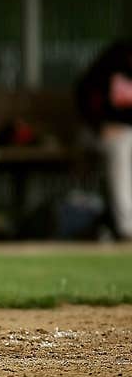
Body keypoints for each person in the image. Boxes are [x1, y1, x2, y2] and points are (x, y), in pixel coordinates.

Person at [76, 39, 132, 241]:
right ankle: (127, 227)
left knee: (126, 139)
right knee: (122, 145)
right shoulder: (109, 64)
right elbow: (83, 98)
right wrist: (100, 126)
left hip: (126, 134)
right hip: (95, 133)